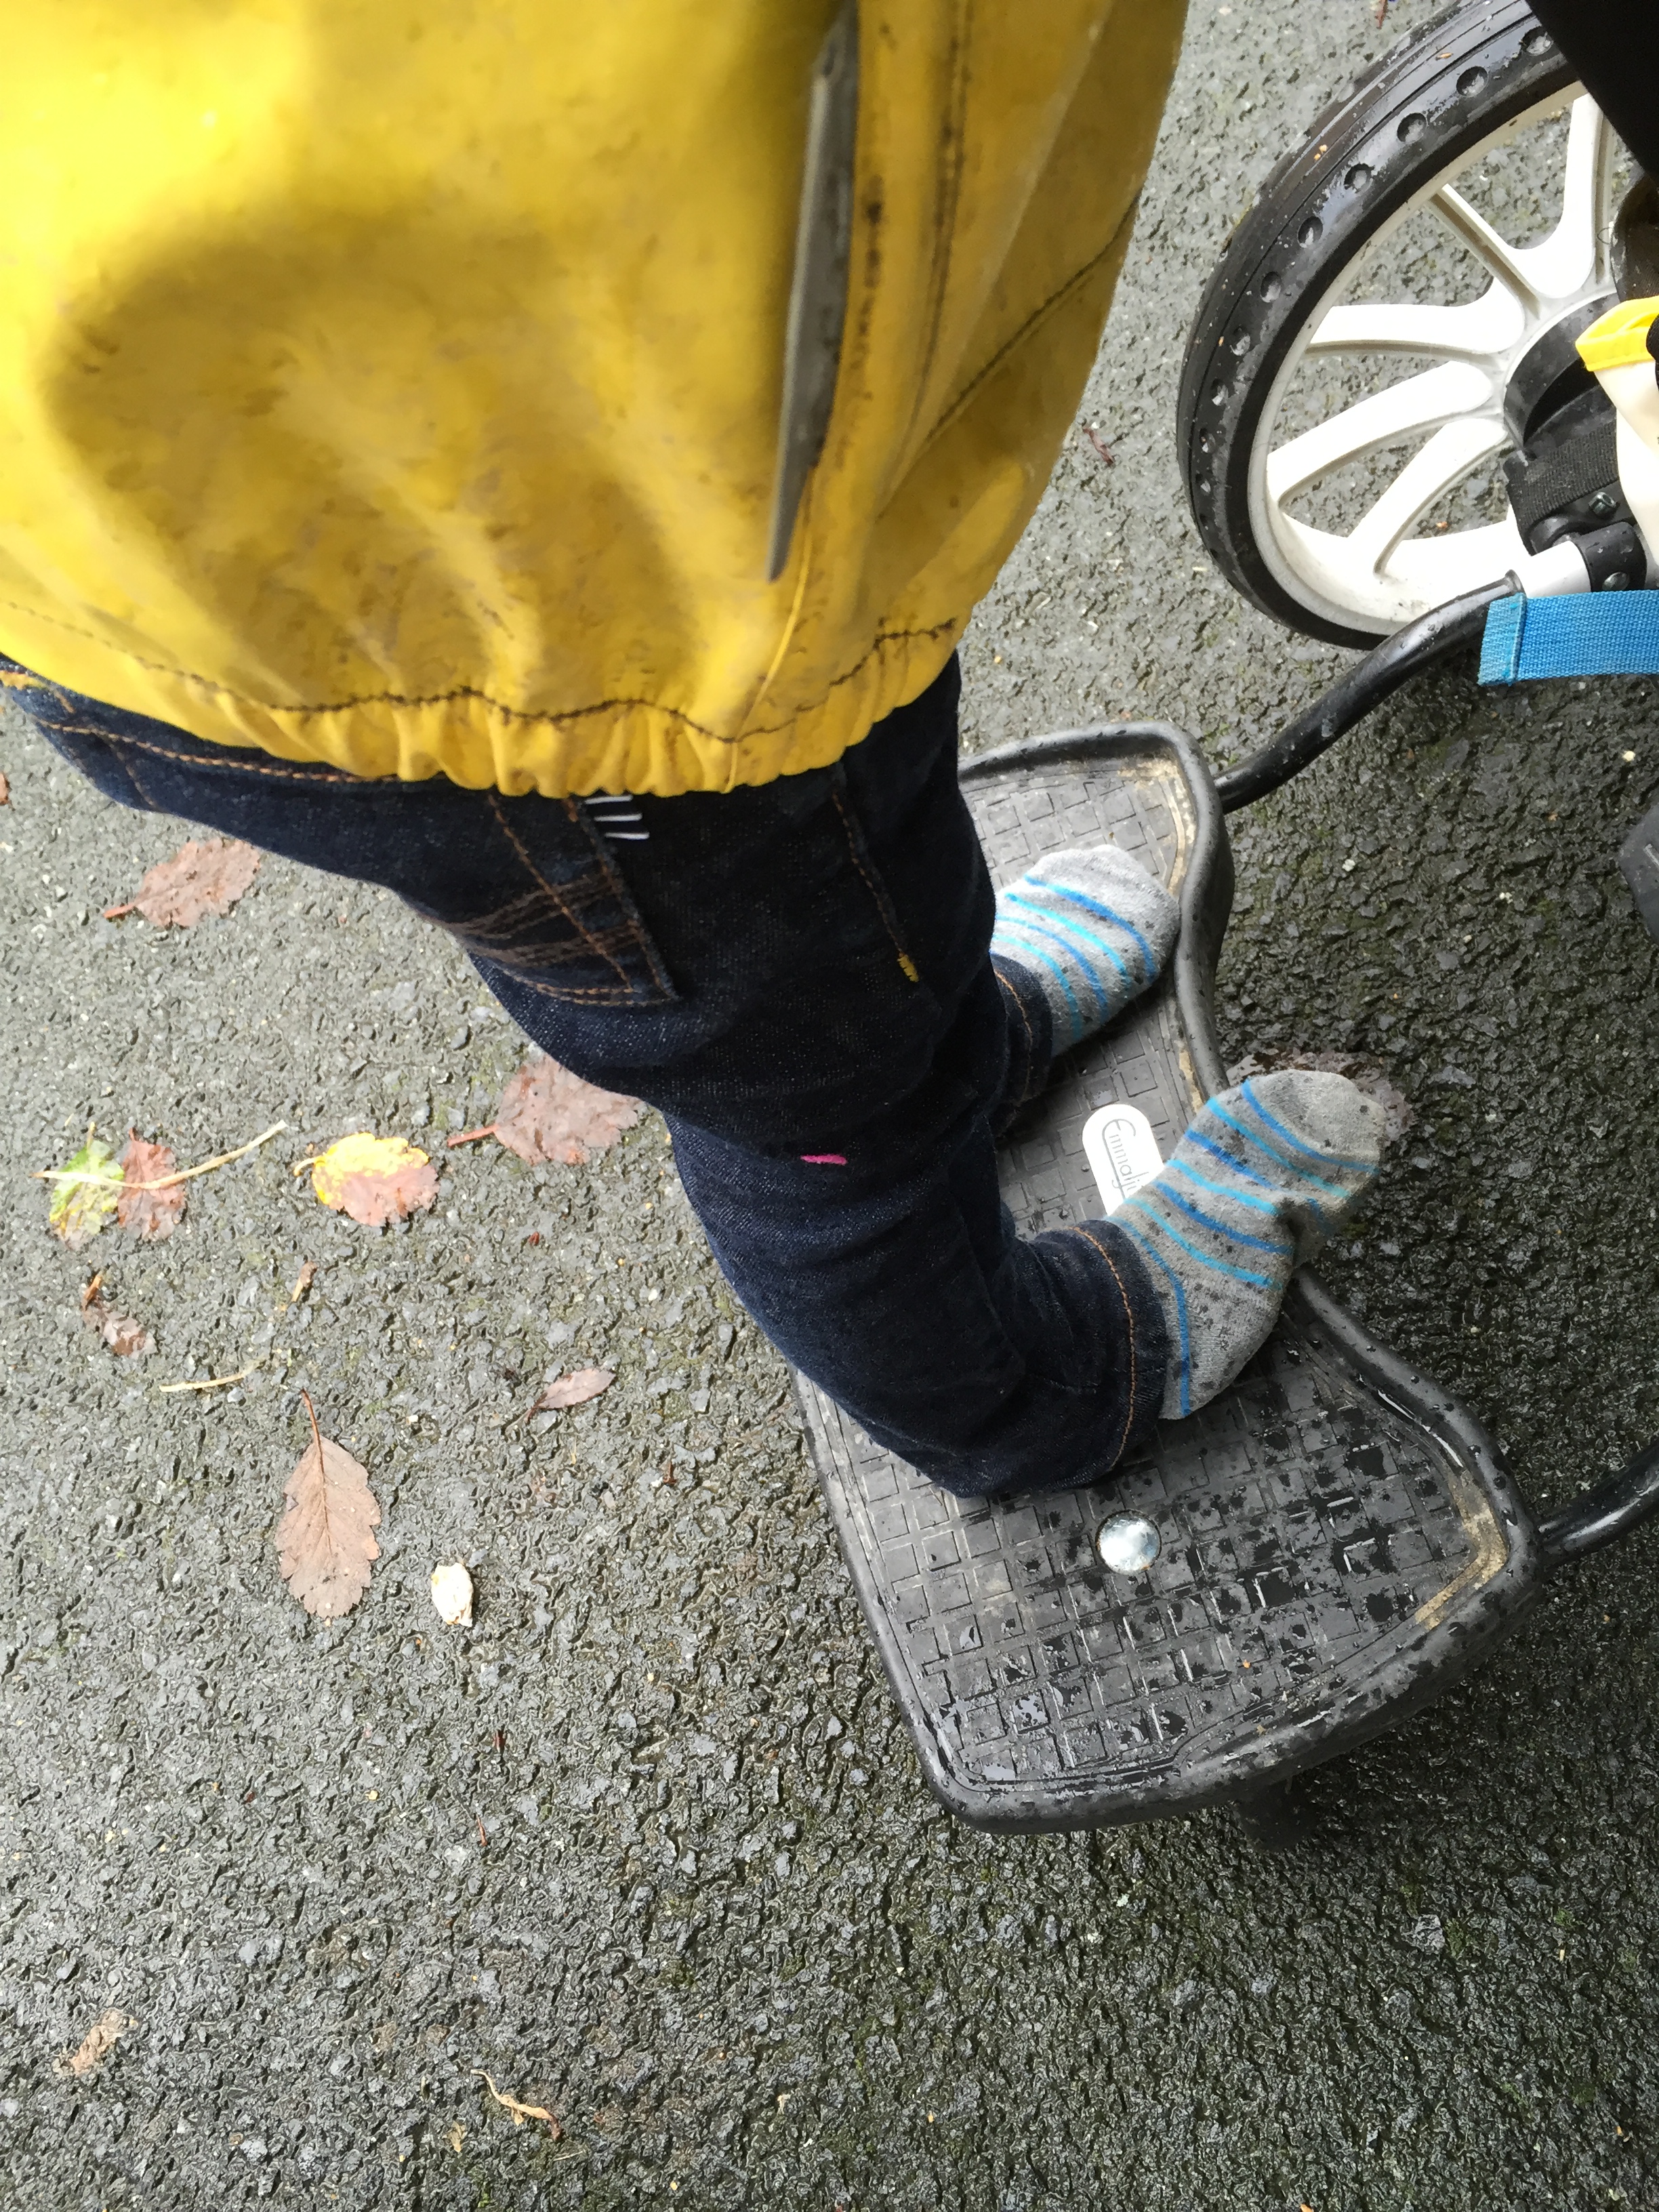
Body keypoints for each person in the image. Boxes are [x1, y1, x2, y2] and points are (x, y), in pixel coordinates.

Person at [3, 0, 1388, 1496]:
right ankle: (1028, 1404)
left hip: (204, 533)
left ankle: (955, 1050)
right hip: (566, 583)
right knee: (804, 1079)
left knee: (840, 921)